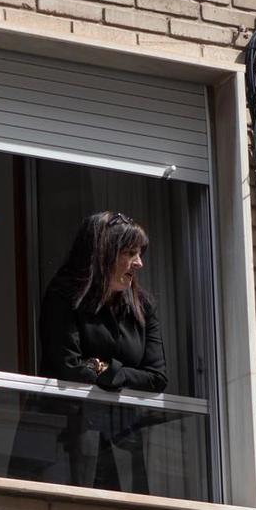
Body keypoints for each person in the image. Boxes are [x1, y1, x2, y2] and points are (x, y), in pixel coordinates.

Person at [38, 211, 168, 492]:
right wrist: (120, 375)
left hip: (122, 441)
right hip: (67, 437)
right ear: (103, 253)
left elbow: (157, 377)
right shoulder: (65, 295)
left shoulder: (143, 306)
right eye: (130, 252)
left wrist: (105, 370)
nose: (139, 263)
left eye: (140, 253)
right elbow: (68, 365)